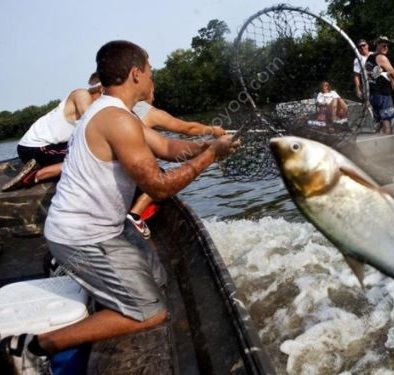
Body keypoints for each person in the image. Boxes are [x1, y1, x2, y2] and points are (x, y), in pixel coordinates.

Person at [0, 40, 239, 374]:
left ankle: (78, 273)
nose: (153, 75)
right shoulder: (116, 120)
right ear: (136, 73)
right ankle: (30, 346)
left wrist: (207, 145)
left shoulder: (117, 113)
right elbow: (158, 186)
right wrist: (210, 158)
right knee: (150, 311)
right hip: (80, 239)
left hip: (103, 229)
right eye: (150, 69)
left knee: (157, 275)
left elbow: (168, 146)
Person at [127, 87, 227, 239]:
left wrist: (207, 147)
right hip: (136, 177)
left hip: (125, 177)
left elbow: (167, 146)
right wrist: (212, 130)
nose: (153, 95)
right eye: (152, 89)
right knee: (159, 175)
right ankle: (135, 215)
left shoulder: (121, 110)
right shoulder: (150, 113)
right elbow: (187, 128)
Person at [1, 74, 103, 192]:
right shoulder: (81, 94)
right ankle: (35, 175)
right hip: (33, 148)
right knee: (87, 157)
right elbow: (93, 125)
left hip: (52, 146)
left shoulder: (98, 107)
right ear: (101, 89)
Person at [365, 36, 394, 134]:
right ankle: (389, 145)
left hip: (373, 95)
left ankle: (375, 143)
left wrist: (391, 80)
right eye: (383, 45)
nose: (386, 47)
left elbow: (377, 73)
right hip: (383, 95)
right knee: (387, 122)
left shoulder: (370, 58)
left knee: (379, 122)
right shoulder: (381, 57)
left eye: (387, 45)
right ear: (377, 45)